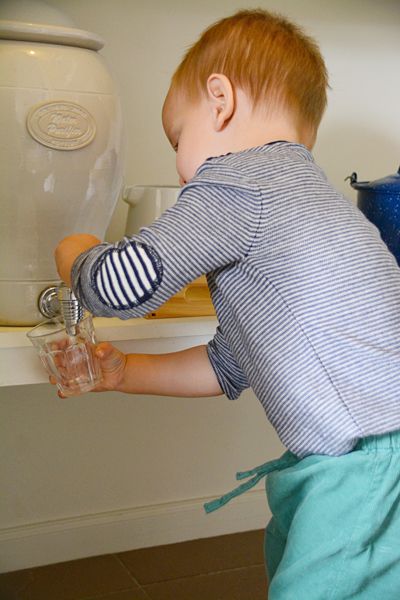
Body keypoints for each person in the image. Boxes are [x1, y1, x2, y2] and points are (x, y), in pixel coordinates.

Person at [54, 9, 400, 599]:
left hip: (369, 461)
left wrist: (76, 252)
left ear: (220, 101)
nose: (179, 167)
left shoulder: (241, 181)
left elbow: (121, 287)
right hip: (361, 455)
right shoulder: (298, 203)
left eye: (176, 138)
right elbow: (230, 365)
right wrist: (125, 372)